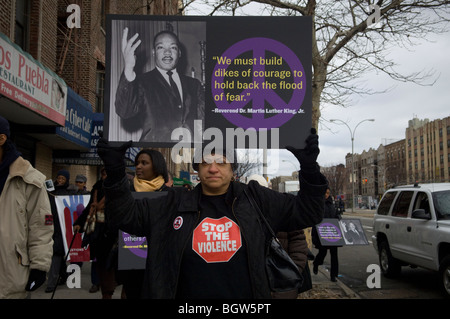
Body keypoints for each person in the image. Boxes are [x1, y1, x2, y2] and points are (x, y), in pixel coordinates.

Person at [97, 128, 327, 299]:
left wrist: (309, 168)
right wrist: (116, 171)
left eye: (221, 161)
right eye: (206, 161)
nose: (213, 168)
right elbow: (123, 216)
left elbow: (308, 212)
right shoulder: (171, 203)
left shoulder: (256, 199)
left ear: (232, 168)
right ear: (197, 168)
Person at [115, 28, 205, 142]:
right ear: (153, 52)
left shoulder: (194, 85)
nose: (167, 52)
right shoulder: (142, 82)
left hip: (189, 153)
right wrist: (128, 67)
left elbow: (203, 123)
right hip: (154, 152)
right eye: (160, 47)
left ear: (179, 53)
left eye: (173, 47)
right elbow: (124, 112)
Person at [0, 116, 53, 298]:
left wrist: (39, 266)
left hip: (11, 275)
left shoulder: (28, 179)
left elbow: (41, 227)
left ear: (2, 139)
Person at [246, 174, 309, 299]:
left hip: (283, 287)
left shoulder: (282, 211)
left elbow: (299, 247)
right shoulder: (242, 215)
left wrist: (288, 274)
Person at [119, 149, 170, 299]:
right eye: (137, 163)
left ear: (157, 166)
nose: (139, 167)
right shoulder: (127, 192)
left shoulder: (169, 194)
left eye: (144, 163)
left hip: (159, 261)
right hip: (131, 261)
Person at [73, 168, 120, 298]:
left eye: (106, 174)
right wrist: (79, 222)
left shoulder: (117, 189)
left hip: (111, 231)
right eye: (103, 174)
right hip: (96, 230)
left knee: (111, 261)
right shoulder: (97, 188)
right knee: (97, 259)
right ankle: (96, 282)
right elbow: (89, 207)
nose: (104, 176)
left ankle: (110, 285)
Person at [45, 169, 78, 293]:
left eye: (62, 179)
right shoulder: (50, 190)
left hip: (63, 225)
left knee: (57, 253)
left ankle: (51, 283)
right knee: (56, 253)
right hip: (50, 223)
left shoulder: (69, 192)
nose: (59, 181)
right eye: (58, 178)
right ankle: (63, 275)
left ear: (67, 180)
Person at [312, 188, 341, 282]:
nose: (326, 195)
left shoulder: (332, 205)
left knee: (334, 255)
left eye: (328, 193)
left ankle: (334, 275)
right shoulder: (318, 204)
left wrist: (339, 217)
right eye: (325, 193)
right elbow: (315, 220)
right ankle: (316, 264)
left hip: (333, 233)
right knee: (322, 253)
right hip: (322, 233)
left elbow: (336, 215)